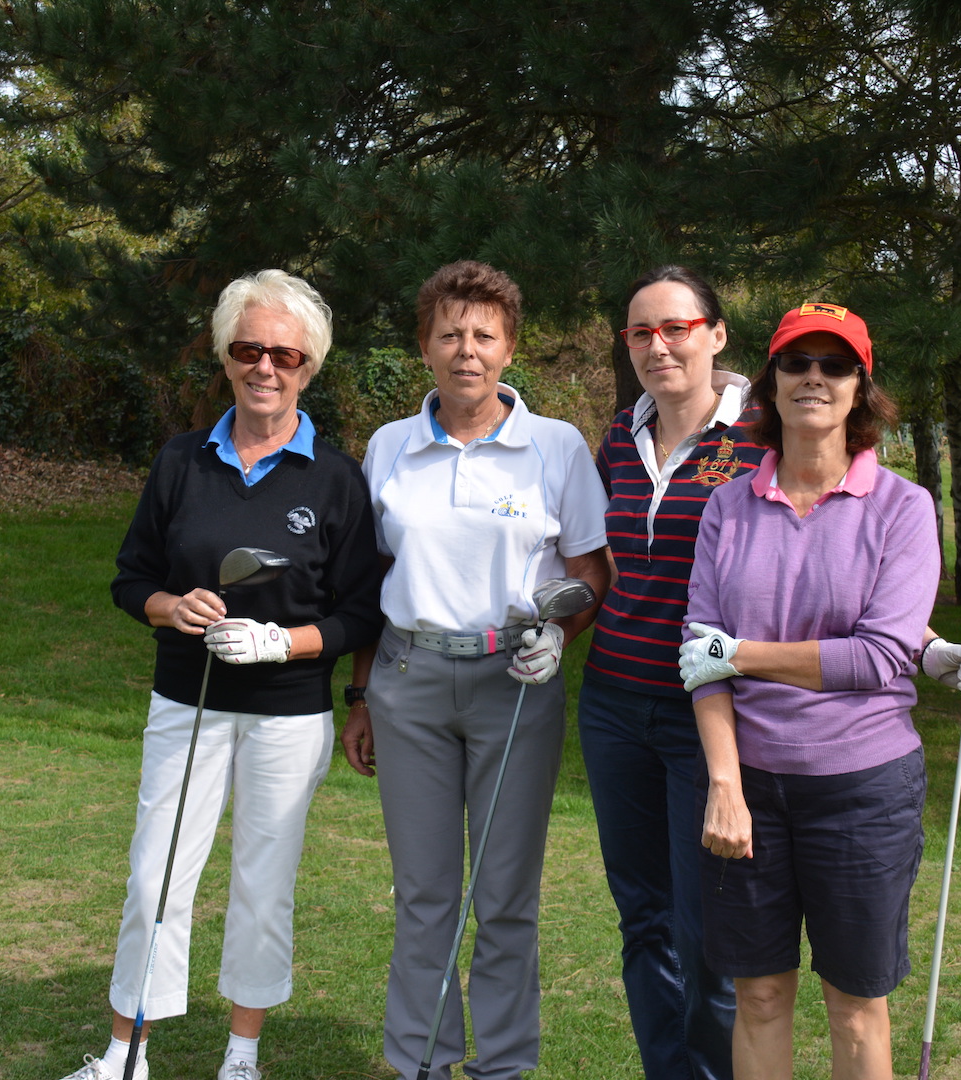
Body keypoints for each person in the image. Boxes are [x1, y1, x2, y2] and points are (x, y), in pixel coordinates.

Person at [65, 270, 384, 1080]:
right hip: (187, 700)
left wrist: (286, 644)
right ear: (226, 356)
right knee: (155, 875)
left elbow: (361, 613)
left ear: (309, 365)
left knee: (263, 883)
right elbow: (130, 577)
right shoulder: (182, 461)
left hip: (288, 712)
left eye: (285, 352)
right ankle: (124, 1054)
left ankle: (241, 1055)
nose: (265, 367)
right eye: (249, 349)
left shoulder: (337, 479)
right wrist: (170, 607)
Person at [338, 260, 611, 1080]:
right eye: (449, 333)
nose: (467, 350)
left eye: (484, 335)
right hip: (407, 682)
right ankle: (421, 1061)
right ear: (423, 346)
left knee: (505, 900)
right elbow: (367, 581)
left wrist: (563, 632)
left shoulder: (555, 446)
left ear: (509, 348)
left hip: (516, 685)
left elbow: (591, 574)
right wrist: (359, 696)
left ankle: (504, 1065)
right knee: (424, 897)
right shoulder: (390, 445)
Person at [677, 301, 944, 1080]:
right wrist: (724, 783)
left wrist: (745, 653)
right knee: (758, 994)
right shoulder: (728, 505)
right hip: (749, 785)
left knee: (855, 1002)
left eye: (835, 365)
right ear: (772, 382)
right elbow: (701, 661)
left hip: (864, 791)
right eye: (797, 363)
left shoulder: (903, 507)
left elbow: (881, 657)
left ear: (861, 387)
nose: (815, 378)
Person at [577, 265, 762, 1080]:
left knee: (707, 934)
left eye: (676, 328)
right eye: (641, 332)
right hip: (614, 705)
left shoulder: (763, 435)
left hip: (710, 716)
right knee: (643, 921)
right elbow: (597, 565)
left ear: (715, 335)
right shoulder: (619, 436)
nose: (659, 346)